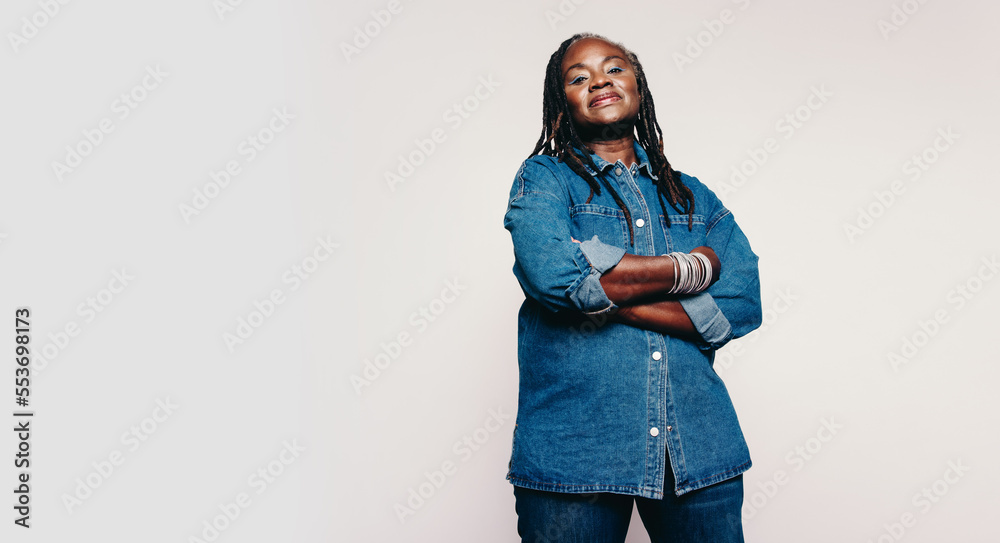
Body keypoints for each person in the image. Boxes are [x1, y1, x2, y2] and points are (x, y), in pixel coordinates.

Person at [502, 33, 763, 542]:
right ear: (562, 105)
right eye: (579, 77)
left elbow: (742, 304)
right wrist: (689, 271)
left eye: (614, 69)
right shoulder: (544, 180)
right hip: (574, 454)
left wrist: (604, 282)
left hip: (698, 449)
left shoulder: (693, 196)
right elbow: (556, 277)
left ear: (638, 87)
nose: (599, 80)